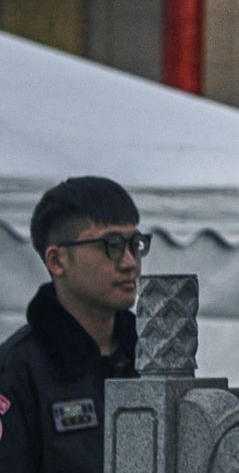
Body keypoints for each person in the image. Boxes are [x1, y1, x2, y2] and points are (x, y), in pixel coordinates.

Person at [0, 177, 148, 473]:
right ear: (57, 260)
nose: (130, 262)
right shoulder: (18, 371)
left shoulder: (151, 357)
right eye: (112, 245)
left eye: (136, 244)